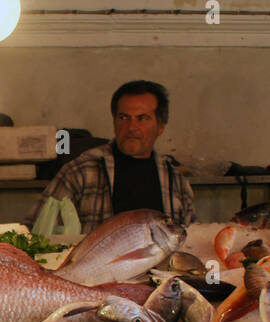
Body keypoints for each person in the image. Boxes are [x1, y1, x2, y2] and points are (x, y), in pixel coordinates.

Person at [27, 79, 195, 229]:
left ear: (160, 127)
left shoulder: (176, 181)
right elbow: (34, 231)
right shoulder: (80, 171)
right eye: (123, 117)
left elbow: (190, 242)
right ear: (114, 120)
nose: (131, 127)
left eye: (142, 118)